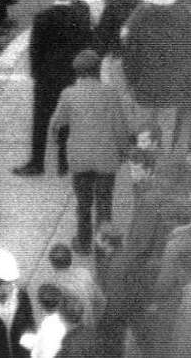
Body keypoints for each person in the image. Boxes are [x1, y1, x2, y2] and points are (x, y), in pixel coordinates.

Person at [45, 50, 127, 252]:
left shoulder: (68, 94)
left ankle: (83, 243)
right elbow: (120, 127)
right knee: (104, 204)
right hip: (106, 158)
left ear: (77, 72)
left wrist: (54, 142)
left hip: (80, 159)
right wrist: (124, 150)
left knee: (83, 205)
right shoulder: (110, 93)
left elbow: (57, 123)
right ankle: (103, 246)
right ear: (98, 70)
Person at [17, 0, 93, 176]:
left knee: (41, 120)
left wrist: (36, 73)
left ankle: (37, 163)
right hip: (70, 75)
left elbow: (35, 50)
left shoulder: (42, 17)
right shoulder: (80, 17)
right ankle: (63, 161)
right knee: (67, 119)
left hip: (47, 77)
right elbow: (86, 47)